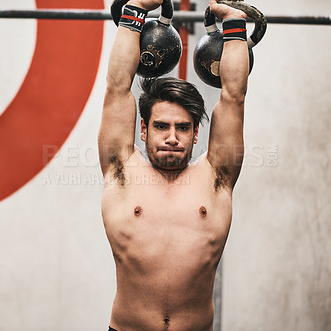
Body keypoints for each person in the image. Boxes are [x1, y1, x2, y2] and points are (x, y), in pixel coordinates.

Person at [98, 0, 249, 329]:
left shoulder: (216, 178)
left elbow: (234, 96)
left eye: (183, 128)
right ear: (143, 129)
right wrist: (135, 10)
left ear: (196, 135)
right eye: (161, 126)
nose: (172, 137)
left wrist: (235, 27)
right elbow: (116, 88)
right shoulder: (121, 171)